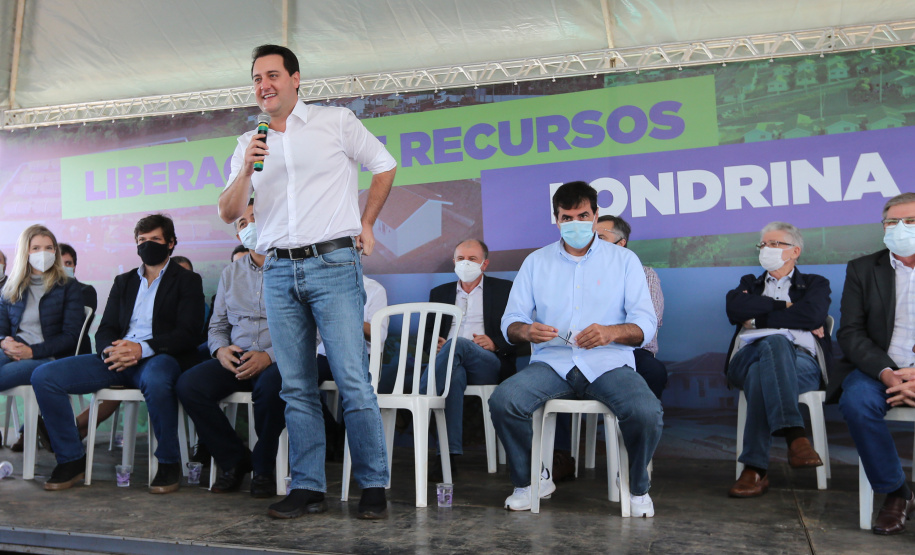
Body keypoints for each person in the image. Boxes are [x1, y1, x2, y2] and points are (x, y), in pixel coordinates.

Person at [218, 44, 396, 519]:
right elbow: (228, 211)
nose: (264, 85)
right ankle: (308, 486)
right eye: (257, 78)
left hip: (333, 264)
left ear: (296, 79)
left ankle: (373, 484)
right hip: (277, 269)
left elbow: (384, 164)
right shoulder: (247, 143)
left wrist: (368, 221)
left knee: (352, 379)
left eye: (273, 75)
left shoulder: (334, 122)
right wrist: (245, 167)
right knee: (295, 386)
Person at [489, 181, 661, 515]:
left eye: (583, 215)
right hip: (552, 363)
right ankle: (531, 480)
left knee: (646, 412)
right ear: (556, 219)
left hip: (609, 363)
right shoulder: (536, 262)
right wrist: (526, 330)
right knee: (504, 400)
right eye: (567, 218)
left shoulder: (625, 261)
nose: (576, 224)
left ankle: (637, 486)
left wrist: (610, 332)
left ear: (596, 216)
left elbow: (645, 324)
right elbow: (511, 321)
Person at [31, 214, 204, 493]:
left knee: (159, 381)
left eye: (155, 240)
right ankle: (71, 459)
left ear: (171, 243)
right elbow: (106, 328)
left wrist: (141, 348)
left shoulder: (188, 280)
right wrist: (112, 350)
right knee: (44, 376)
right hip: (117, 356)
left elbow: (189, 332)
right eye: (142, 241)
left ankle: (169, 463)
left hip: (158, 356)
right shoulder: (123, 281)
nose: (148, 245)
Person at [177, 199, 286, 498]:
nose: (250, 225)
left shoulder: (293, 268)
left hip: (279, 358)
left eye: (256, 217)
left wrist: (268, 357)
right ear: (239, 236)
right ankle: (235, 460)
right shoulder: (230, 274)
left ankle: (263, 469)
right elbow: (217, 326)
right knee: (189, 385)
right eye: (242, 223)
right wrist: (219, 351)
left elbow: (310, 329)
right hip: (236, 356)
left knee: (270, 389)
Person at [724, 222, 831, 498]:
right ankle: (796, 436)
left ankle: (754, 468)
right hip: (745, 359)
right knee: (775, 342)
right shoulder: (750, 282)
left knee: (763, 371)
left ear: (794, 251)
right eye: (763, 244)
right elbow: (734, 307)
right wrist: (787, 308)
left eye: (774, 244)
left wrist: (758, 319)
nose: (766, 249)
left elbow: (813, 315)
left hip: (802, 364)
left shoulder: (815, 283)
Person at [835, 192, 915, 535]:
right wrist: (888, 374)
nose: (900, 228)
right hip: (879, 368)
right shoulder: (863, 269)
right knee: (855, 401)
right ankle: (897, 492)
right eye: (892, 221)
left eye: (910, 221)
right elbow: (851, 333)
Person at [420, 239, 515, 479]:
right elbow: (426, 337)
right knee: (454, 373)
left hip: (487, 361)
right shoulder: (439, 293)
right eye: (461, 258)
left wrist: (495, 343)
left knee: (457, 344)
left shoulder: (504, 290)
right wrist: (435, 344)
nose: (466, 263)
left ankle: (422, 395)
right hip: (450, 362)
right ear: (454, 262)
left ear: (484, 264)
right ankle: (447, 457)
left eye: (472, 259)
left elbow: (520, 333)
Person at [0, 225, 85, 392]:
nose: (43, 253)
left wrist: (31, 352)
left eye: (48, 248)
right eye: (36, 248)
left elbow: (70, 336)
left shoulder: (68, 286)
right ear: (25, 252)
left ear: (55, 252)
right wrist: (4, 341)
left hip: (50, 358)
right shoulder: (11, 287)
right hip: (14, 351)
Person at [593, 216, 667, 398]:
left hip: (633, 349)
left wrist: (610, 331)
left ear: (621, 243)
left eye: (600, 238)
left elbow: (652, 319)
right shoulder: (579, 276)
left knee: (654, 372)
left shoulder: (645, 274)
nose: (593, 244)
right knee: (556, 373)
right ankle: (570, 427)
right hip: (590, 348)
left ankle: (639, 425)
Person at [59, 243, 98, 354]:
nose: (63, 268)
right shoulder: (40, 292)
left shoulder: (86, 291)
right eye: (58, 264)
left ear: (74, 267)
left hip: (71, 354)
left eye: (68, 263)